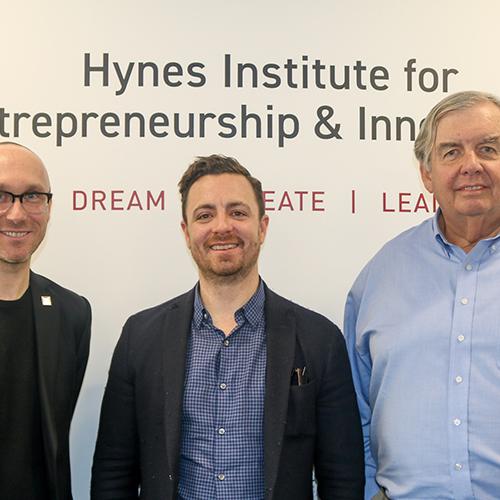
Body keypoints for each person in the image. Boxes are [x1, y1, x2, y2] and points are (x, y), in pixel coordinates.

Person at [91, 154, 364, 499]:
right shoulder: (140, 337)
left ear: (262, 227)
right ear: (186, 232)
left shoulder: (319, 339)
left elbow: (342, 478)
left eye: (237, 212)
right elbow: (114, 471)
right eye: (205, 215)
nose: (222, 226)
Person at [345, 90, 500, 499]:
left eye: (489, 148)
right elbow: (356, 411)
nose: (471, 165)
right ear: (427, 174)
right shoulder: (381, 276)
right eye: (451, 152)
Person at [0, 142, 91, 499]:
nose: (17, 214)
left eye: (33, 196)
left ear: (49, 207)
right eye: (2, 195)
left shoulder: (73, 314)